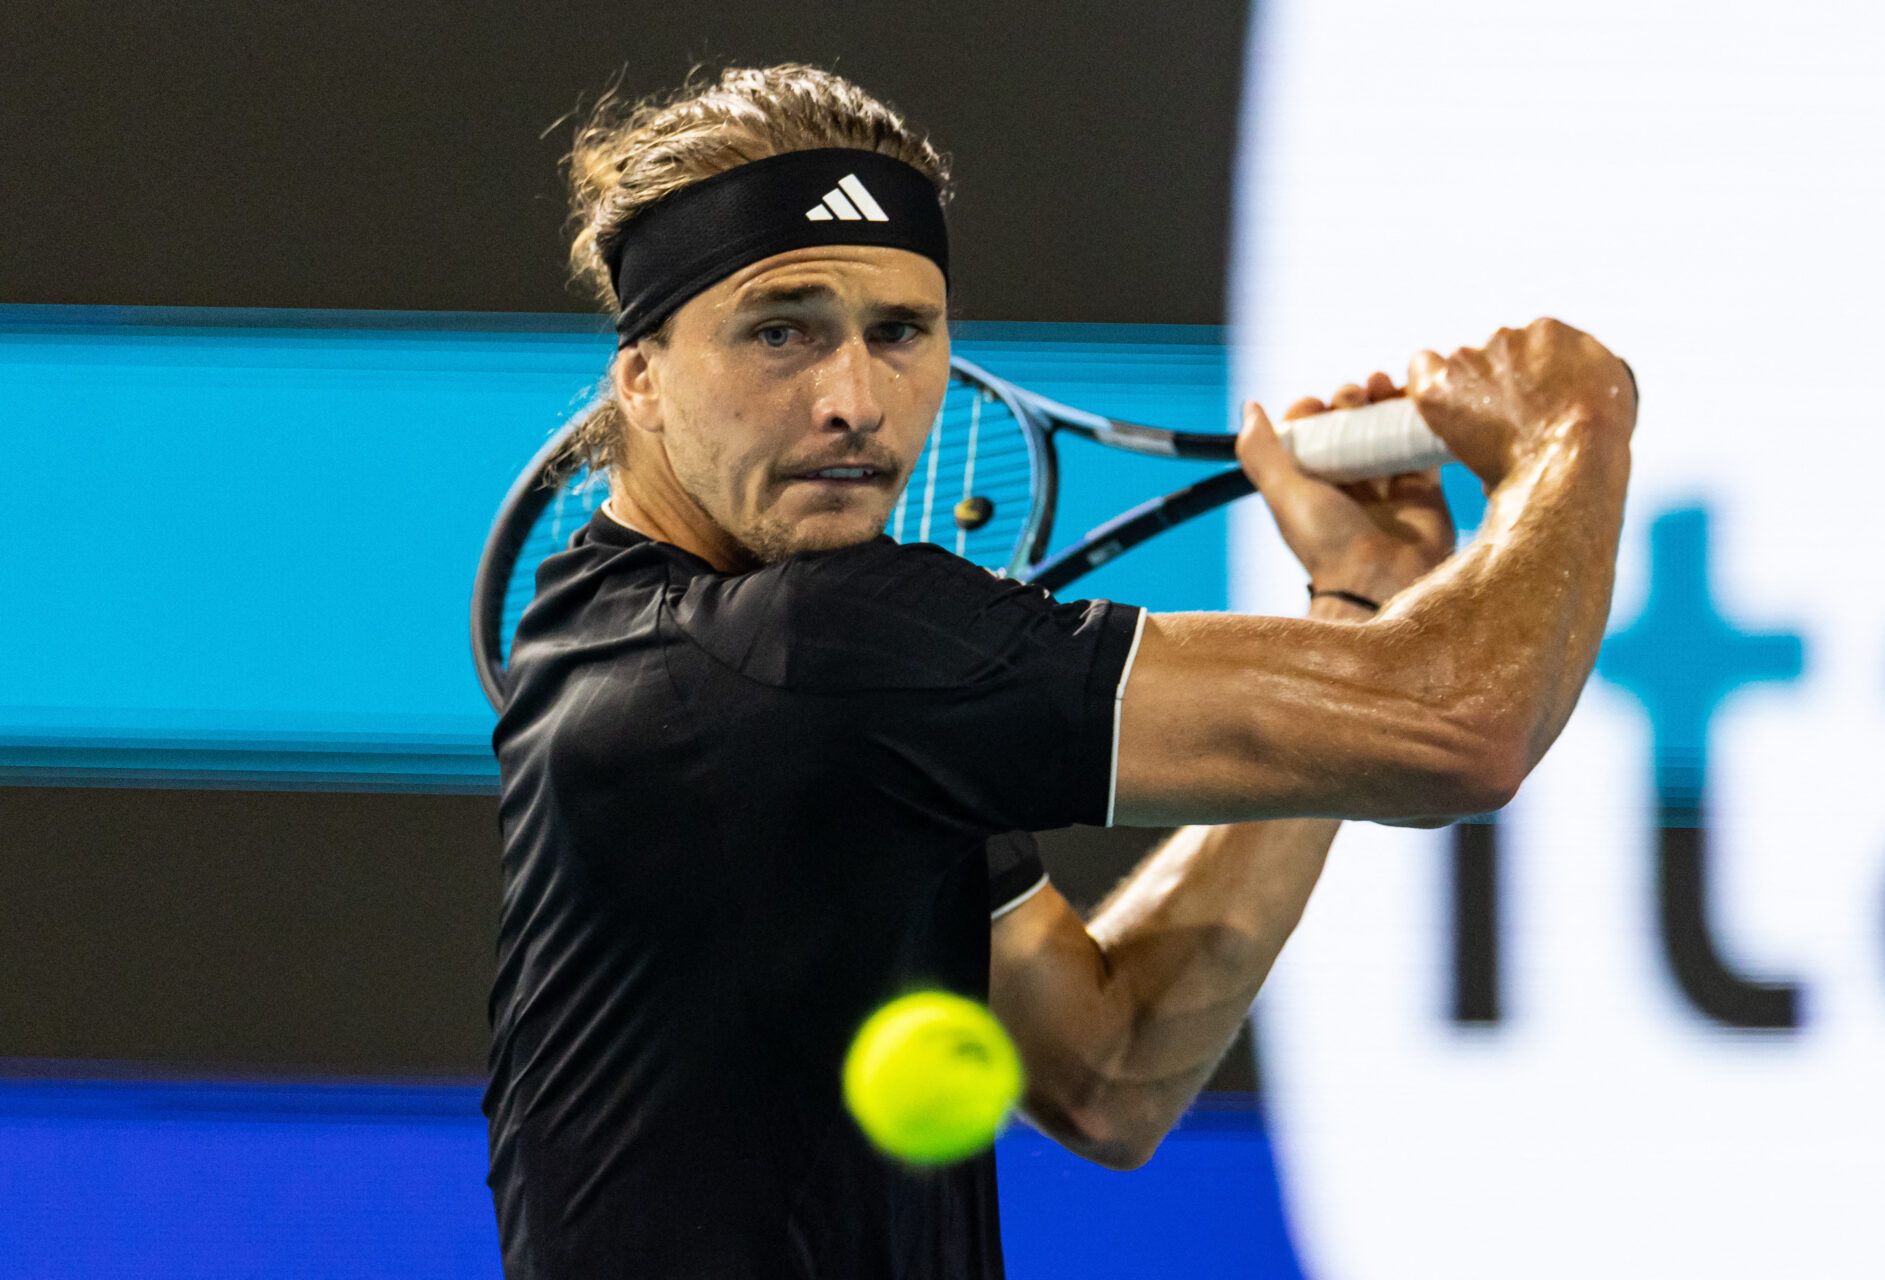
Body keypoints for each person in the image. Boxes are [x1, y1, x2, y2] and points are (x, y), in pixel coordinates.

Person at [485, 63, 1637, 1279]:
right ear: (643, 379)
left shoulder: (641, 645)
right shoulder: (807, 650)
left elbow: (1110, 1067)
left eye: (900, 333)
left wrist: (1354, 596)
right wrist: (1578, 426)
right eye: (782, 330)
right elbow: (1462, 724)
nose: (855, 402)